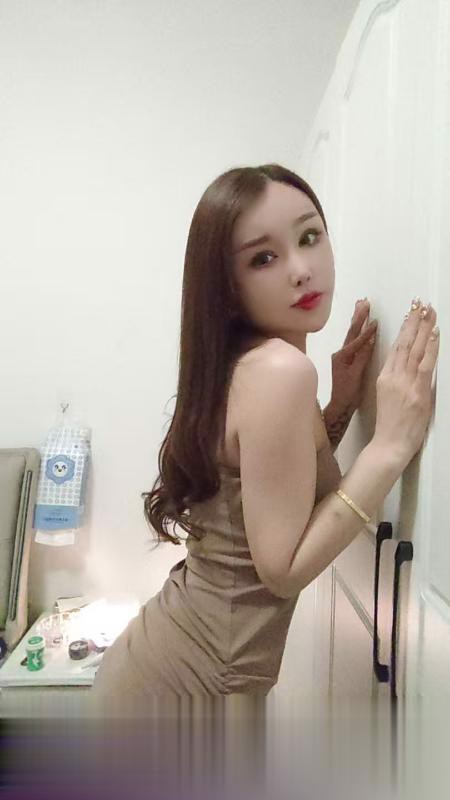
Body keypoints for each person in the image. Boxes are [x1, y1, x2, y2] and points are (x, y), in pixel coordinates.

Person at [91, 163, 439, 702]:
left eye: (309, 236)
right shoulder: (279, 371)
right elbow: (283, 569)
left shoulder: (245, 364)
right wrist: (389, 447)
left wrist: (339, 408)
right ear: (227, 287)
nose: (301, 269)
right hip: (191, 682)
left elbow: (274, 491)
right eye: (263, 258)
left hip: (167, 661)